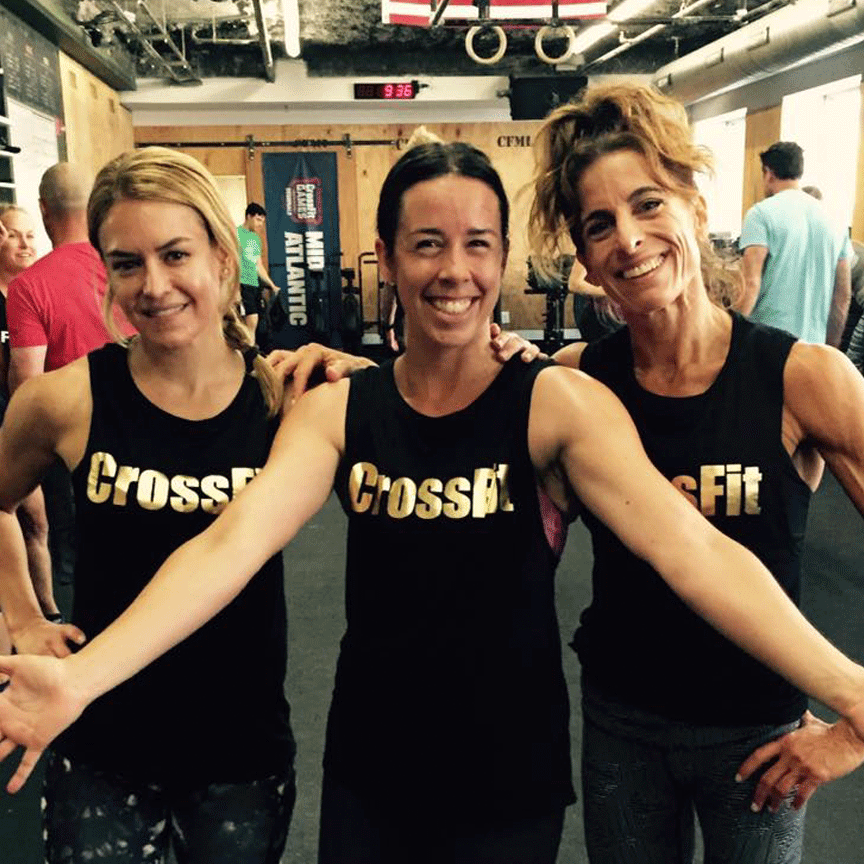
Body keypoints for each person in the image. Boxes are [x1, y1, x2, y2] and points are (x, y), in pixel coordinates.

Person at [2, 141, 864, 864]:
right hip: (370, 776)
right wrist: (81, 677)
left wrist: (848, 686)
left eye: (477, 244)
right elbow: (230, 546)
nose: (454, 270)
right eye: (426, 244)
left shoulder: (557, 404)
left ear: (502, 257)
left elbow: (693, 549)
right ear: (385, 256)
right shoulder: (339, 410)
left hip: (508, 780)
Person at [528, 81, 864, 863]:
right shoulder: (576, 380)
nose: (628, 239)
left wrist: (855, 732)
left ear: (695, 207)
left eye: (648, 205)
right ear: (587, 260)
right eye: (599, 225)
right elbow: (449, 411)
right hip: (622, 728)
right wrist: (352, 376)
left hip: (760, 740)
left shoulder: (803, 377)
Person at [0, 147, 296, 863]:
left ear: (222, 257)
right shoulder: (66, 398)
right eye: (127, 263)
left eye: (175, 254)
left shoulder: (283, 398)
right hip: (101, 740)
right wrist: (24, 617)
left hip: (240, 750)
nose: (154, 285)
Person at [6, 164, 136, 597]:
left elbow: (27, 384)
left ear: (44, 210)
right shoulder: (127, 268)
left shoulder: (29, 286)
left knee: (75, 554)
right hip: (143, 424)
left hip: (70, 441)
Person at [0, 207, 60, 658]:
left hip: (19, 425)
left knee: (36, 522)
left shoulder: (32, 292)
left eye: (30, 236)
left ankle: (49, 613)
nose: (25, 244)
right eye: (13, 236)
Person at [739, 141, 851, 346]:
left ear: (768, 173)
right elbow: (842, 296)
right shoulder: (836, 220)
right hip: (813, 347)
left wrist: (731, 339)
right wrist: (830, 348)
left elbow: (751, 284)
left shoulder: (760, 214)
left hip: (767, 343)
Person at [237, 202, 278, 341]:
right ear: (249, 216)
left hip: (255, 284)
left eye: (262, 221)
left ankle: (252, 349)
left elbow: (258, 265)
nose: (260, 224)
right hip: (241, 283)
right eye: (258, 220)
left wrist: (271, 285)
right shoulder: (235, 234)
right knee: (251, 320)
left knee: (257, 323)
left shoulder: (255, 239)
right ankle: (249, 351)